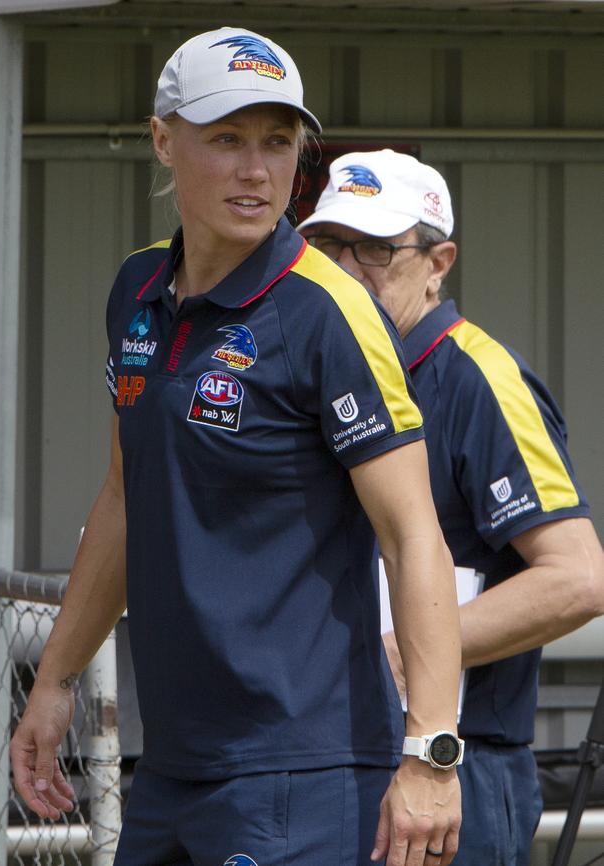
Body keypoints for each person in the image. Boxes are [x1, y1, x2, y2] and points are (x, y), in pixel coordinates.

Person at [10, 32, 465, 866]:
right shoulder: (137, 290)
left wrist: (432, 752)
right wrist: (55, 681)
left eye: (279, 142)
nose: (258, 171)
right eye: (227, 139)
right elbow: (122, 496)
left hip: (306, 772)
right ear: (162, 140)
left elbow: (413, 536)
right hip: (175, 763)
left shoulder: (329, 311)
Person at [298, 148, 604, 866]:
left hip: (454, 766)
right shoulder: (317, 369)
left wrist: (417, 647)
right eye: (325, 244)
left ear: (439, 262)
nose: (345, 268)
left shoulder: (478, 378)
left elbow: (579, 577)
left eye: (375, 248)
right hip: (327, 757)